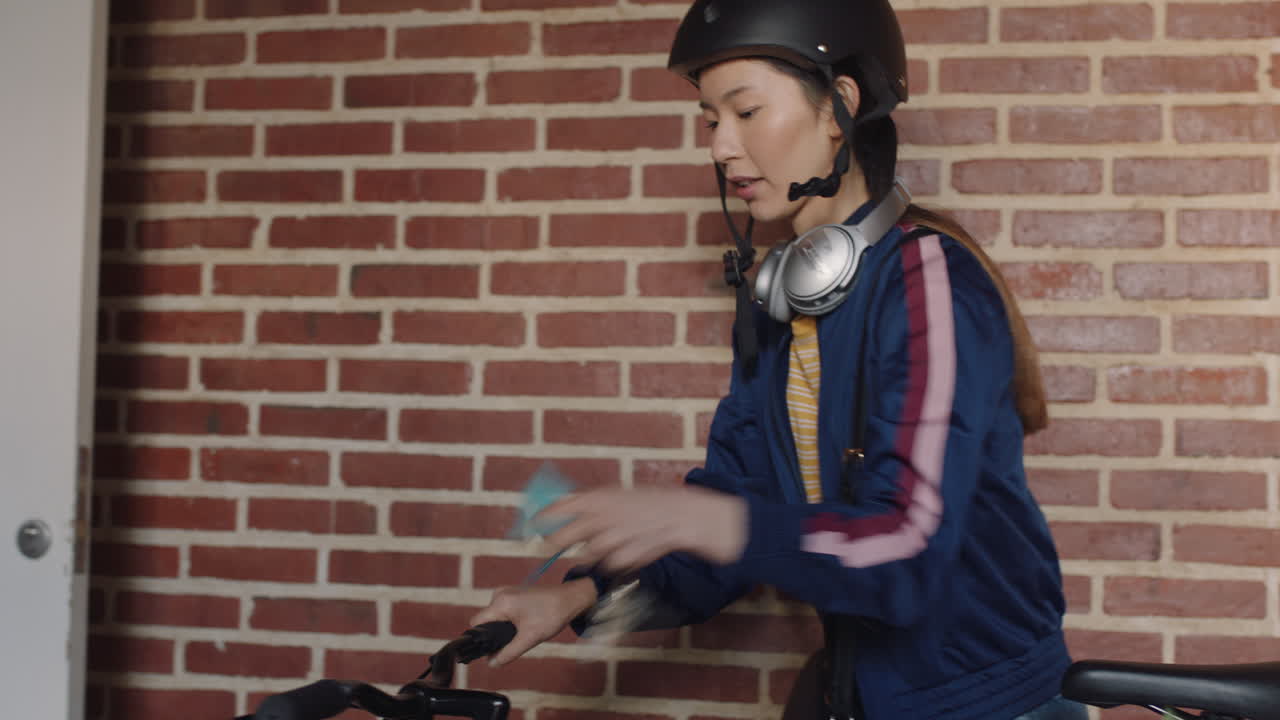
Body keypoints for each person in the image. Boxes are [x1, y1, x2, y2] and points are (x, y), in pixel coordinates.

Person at [473, 2, 1085, 718]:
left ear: (839, 109)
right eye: (710, 121)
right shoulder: (776, 307)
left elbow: (906, 552)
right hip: (860, 697)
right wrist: (577, 596)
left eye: (746, 112)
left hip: (988, 705)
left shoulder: (928, 285)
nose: (720, 147)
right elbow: (739, 506)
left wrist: (690, 519)